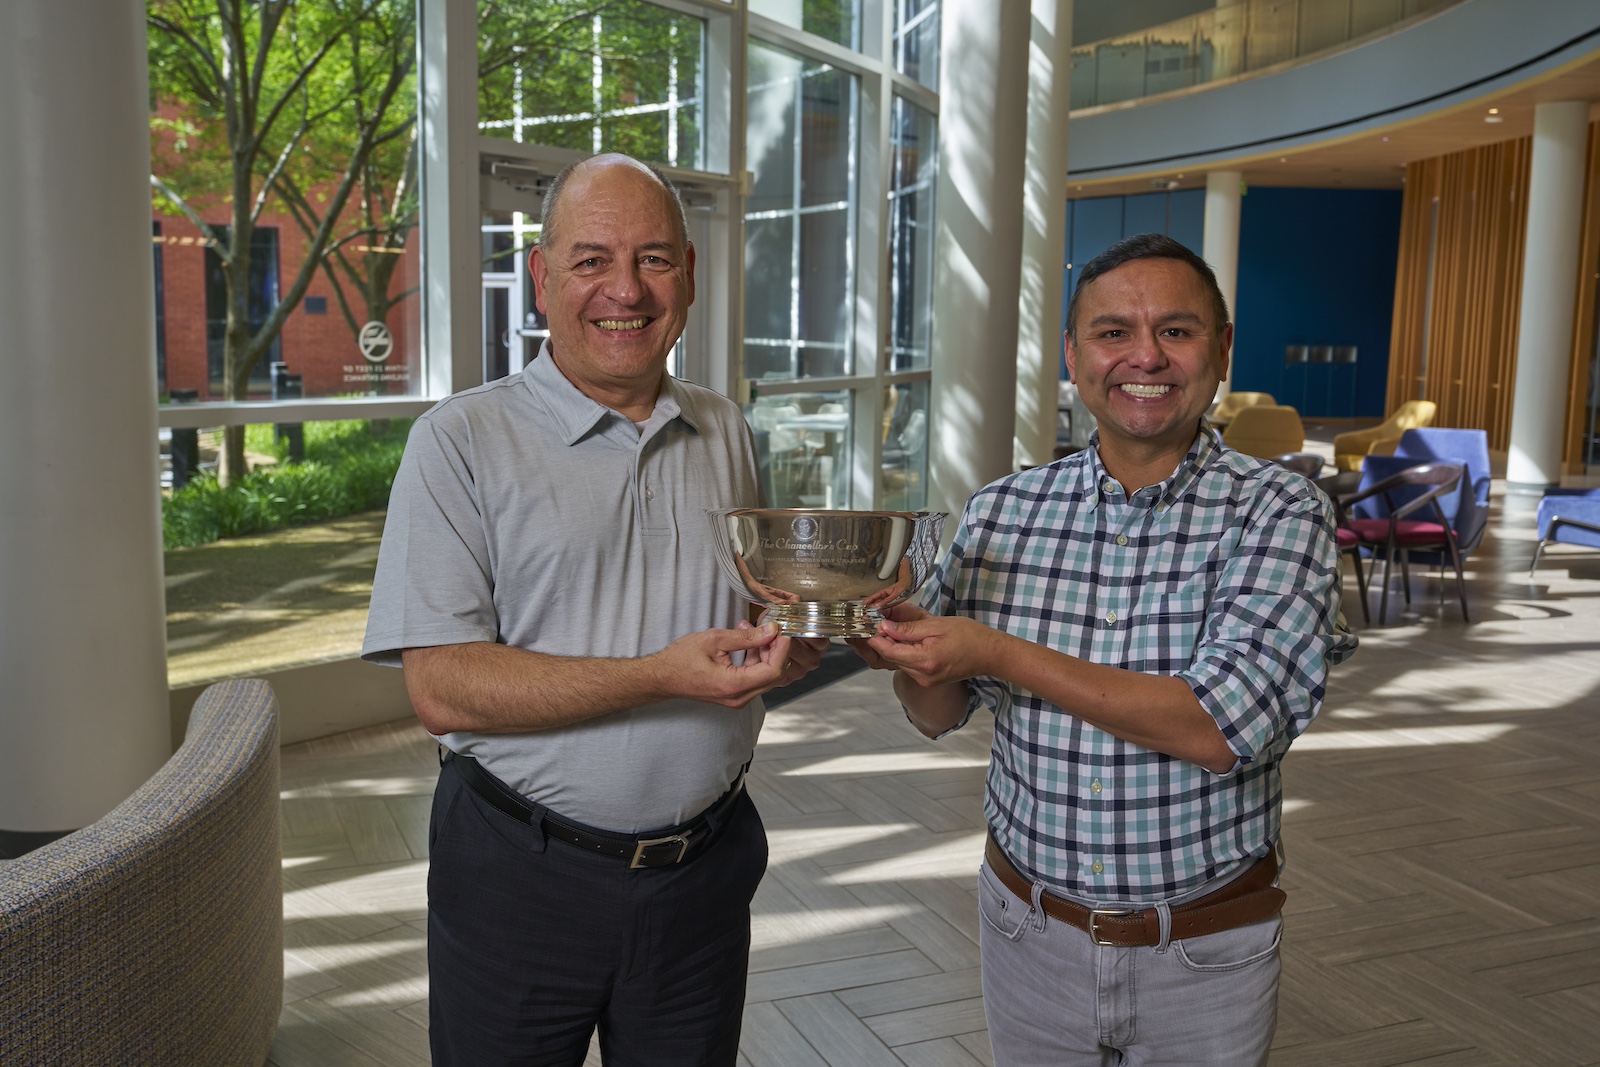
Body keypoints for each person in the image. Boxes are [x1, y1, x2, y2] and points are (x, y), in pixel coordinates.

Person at [362, 152, 826, 1067]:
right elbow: (443, 688)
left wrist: (794, 647)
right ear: (541, 278)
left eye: (654, 258)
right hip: (519, 879)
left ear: (689, 276)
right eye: (590, 260)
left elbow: (744, 618)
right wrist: (661, 675)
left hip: (704, 875)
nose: (626, 289)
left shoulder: (724, 426)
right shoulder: (459, 442)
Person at [852, 232, 1357, 1065]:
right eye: (1113, 331)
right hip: (1027, 931)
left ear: (1221, 350)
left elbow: (1217, 727)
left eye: (1177, 330)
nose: (1144, 356)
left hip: (1203, 947)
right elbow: (935, 713)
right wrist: (909, 649)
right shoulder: (1004, 510)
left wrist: (995, 650)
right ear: (1074, 355)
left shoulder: (1280, 511)